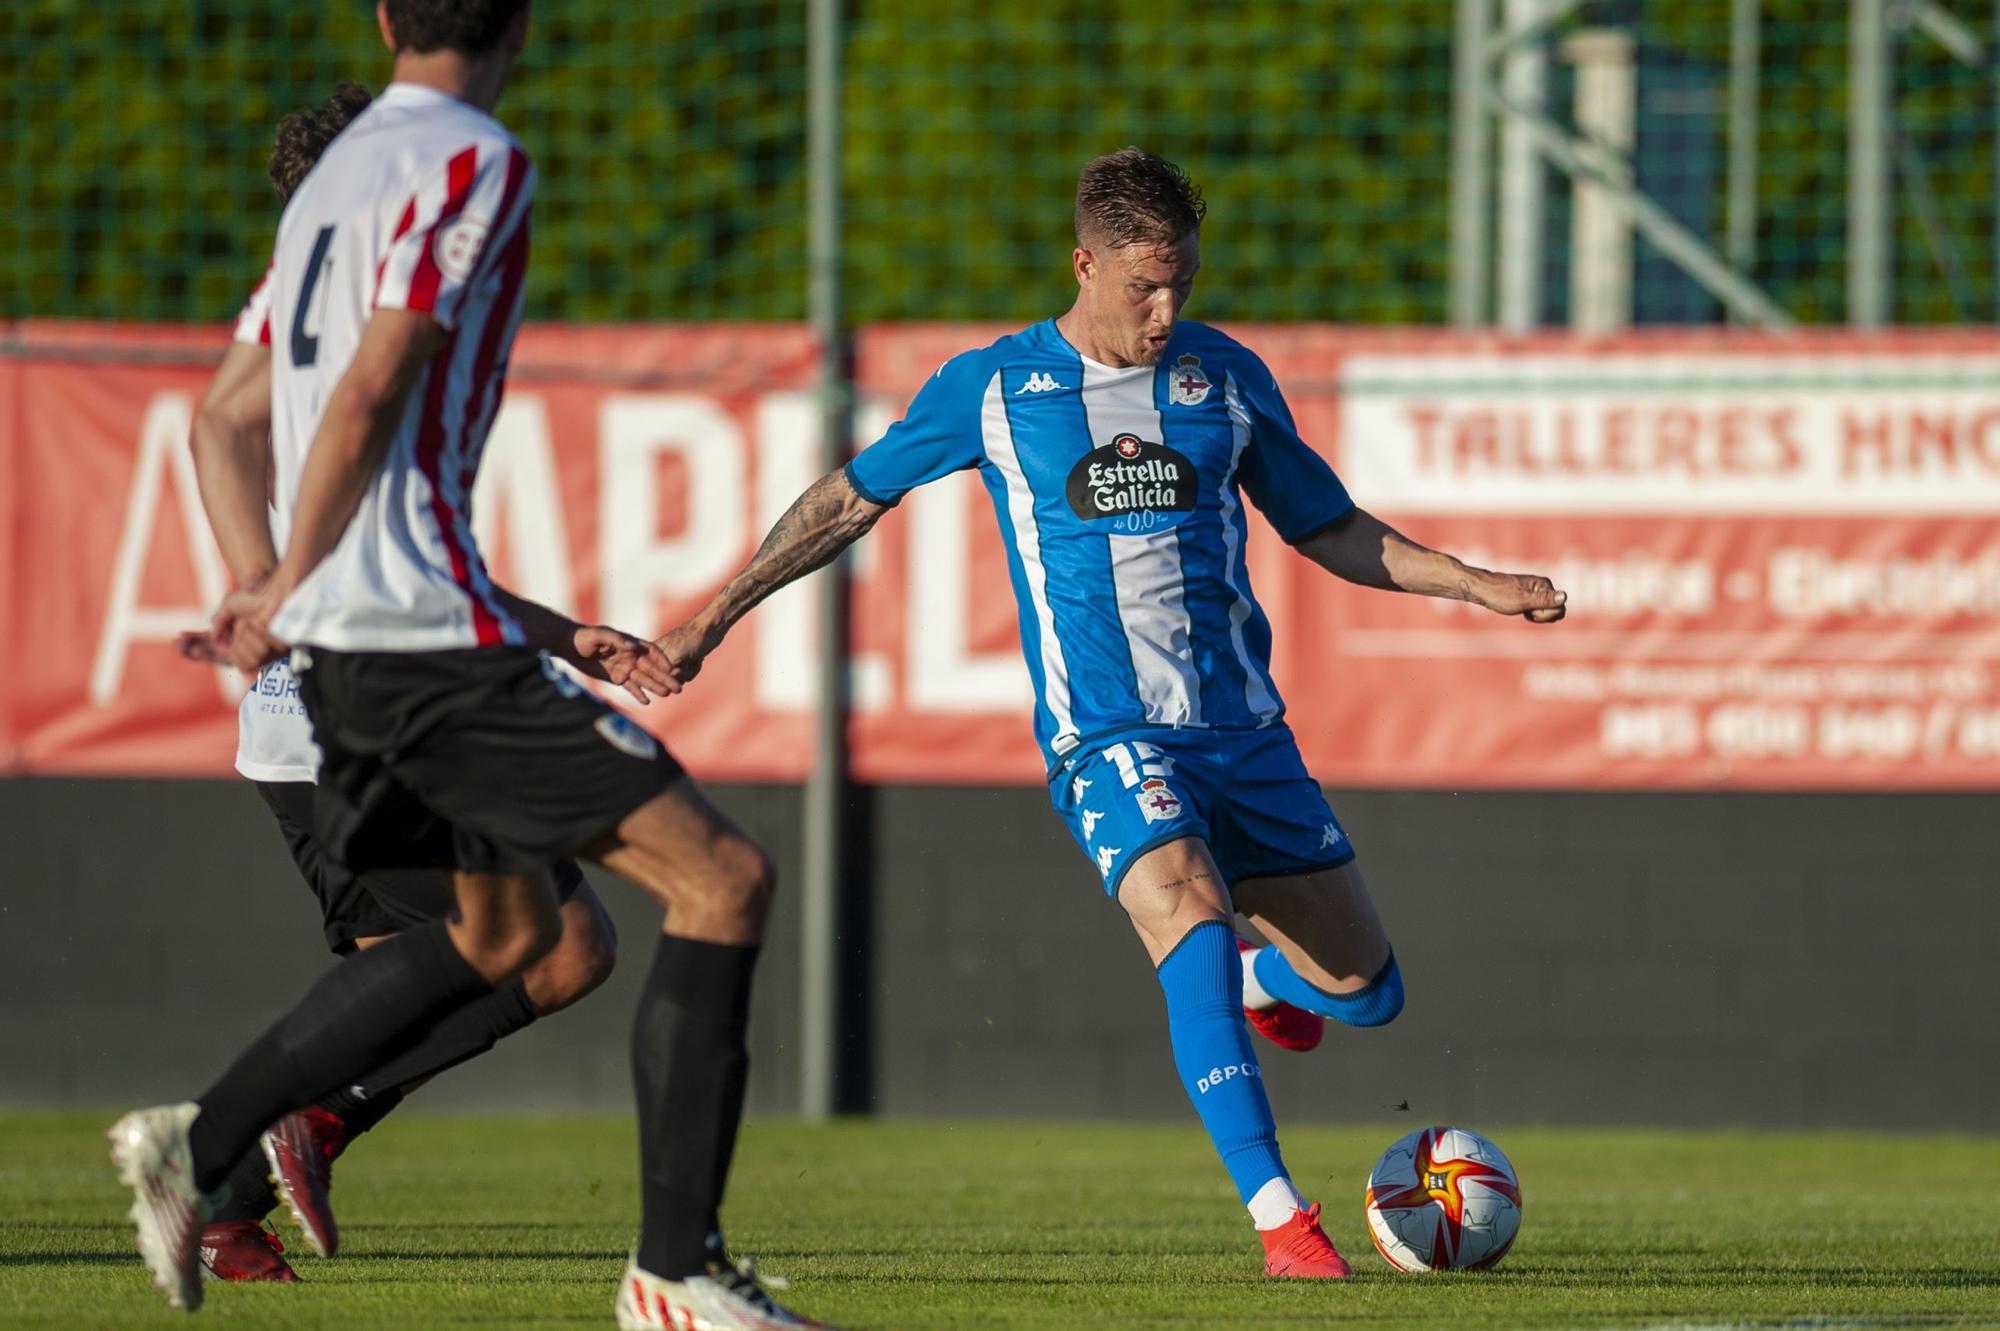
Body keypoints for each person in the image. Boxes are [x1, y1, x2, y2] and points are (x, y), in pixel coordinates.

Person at [655, 147, 1567, 1279]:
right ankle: (1283, 1220)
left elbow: (1325, 525)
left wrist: (1477, 583)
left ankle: (1248, 979)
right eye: (1143, 286)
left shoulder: (1224, 377)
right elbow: (848, 496)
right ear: (1084, 264)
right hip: (1107, 736)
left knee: (1366, 990)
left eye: (1181, 282)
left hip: (1244, 734)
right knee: (1182, 902)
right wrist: (710, 619)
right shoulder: (994, 389)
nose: (1165, 308)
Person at [109, 6, 824, 1327]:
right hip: (426, 641)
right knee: (722, 877)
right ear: (525, 23)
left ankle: (205, 1141)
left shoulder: (328, 182)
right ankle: (674, 1270)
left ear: (386, 16)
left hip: (352, 659)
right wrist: (288, 578)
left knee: (507, 931)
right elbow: (378, 383)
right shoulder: (472, 158)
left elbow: (220, 416)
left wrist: (273, 582)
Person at [178, 80, 621, 1285]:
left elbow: (238, 451)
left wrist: (555, 631)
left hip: (285, 740)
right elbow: (388, 554)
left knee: (399, 986)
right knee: (565, 940)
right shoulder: (365, 348)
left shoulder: (275, 335)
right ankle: (260, 1136)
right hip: (371, 710)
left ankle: (223, 1208)